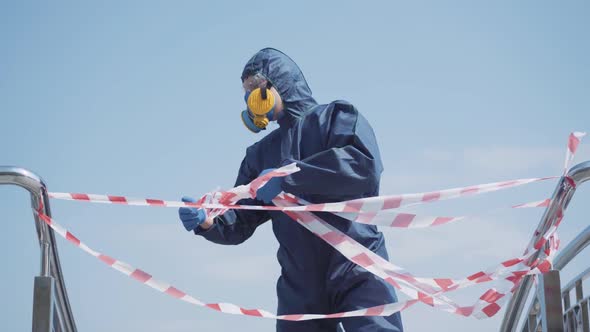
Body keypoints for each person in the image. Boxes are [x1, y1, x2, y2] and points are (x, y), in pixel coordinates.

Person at [179, 48, 403, 332]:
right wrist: (209, 222)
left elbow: (363, 167)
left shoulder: (334, 118)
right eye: (245, 91)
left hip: (355, 264)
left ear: (279, 82)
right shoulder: (259, 155)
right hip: (300, 284)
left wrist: (290, 177)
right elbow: (241, 219)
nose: (250, 97)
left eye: (255, 87)